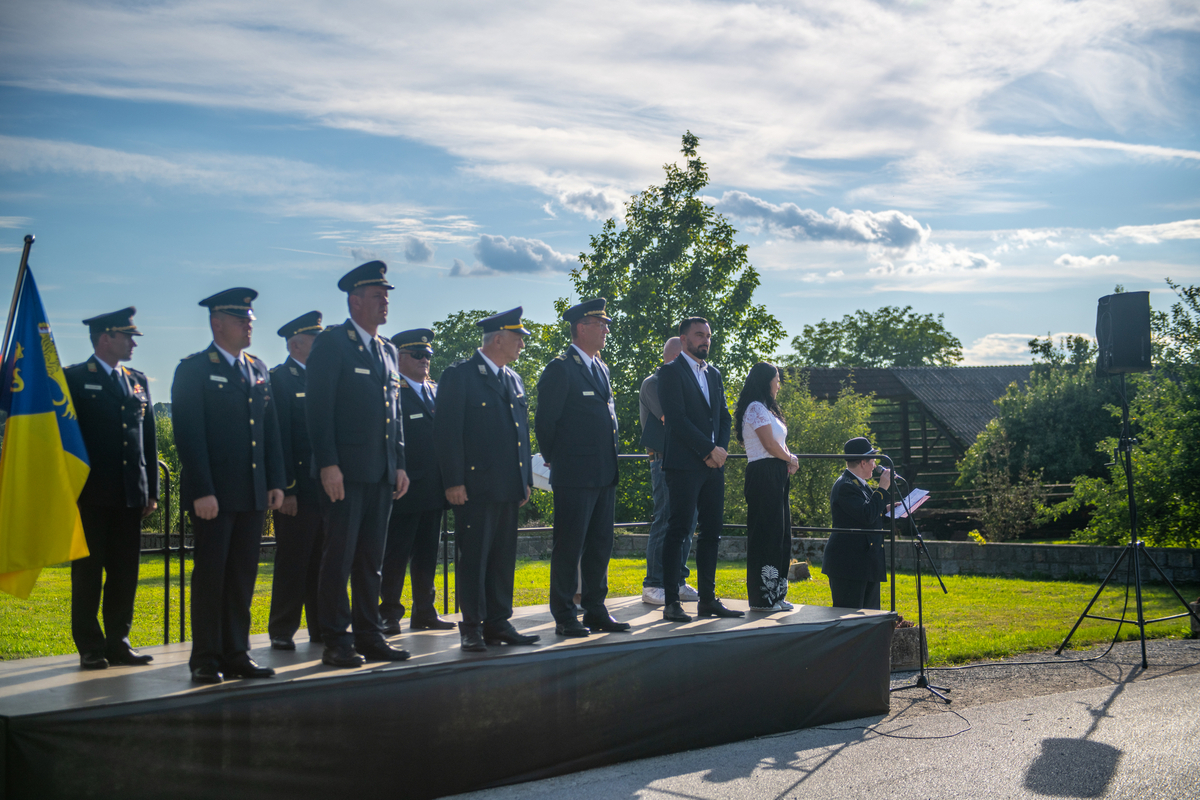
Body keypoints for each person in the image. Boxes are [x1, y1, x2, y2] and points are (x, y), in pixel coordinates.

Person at [172, 288, 285, 684]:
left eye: (250, 320)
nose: (249, 326)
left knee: (241, 576)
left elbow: (270, 431)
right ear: (217, 323)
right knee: (211, 577)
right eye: (241, 321)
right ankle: (205, 657)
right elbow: (190, 435)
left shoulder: (258, 368)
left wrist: (275, 481)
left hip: (251, 493)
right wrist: (202, 489)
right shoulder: (194, 370)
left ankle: (237, 653)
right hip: (214, 496)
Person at [306, 261, 411, 668]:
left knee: (371, 561)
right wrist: (328, 464)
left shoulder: (387, 350)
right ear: (354, 302)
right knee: (339, 558)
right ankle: (336, 639)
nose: (385, 302)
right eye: (377, 296)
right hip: (345, 473)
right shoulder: (333, 344)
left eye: (387, 296)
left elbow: (394, 415)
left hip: (381, 473)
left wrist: (399, 463)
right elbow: (319, 410)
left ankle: (370, 634)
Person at [434, 307, 540, 652]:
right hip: (475, 487)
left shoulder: (513, 379)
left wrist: (525, 478)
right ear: (497, 339)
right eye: (517, 337)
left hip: (508, 486)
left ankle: (498, 622)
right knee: (475, 558)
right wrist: (453, 481)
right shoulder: (461, 375)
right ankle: (472, 626)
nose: (522, 344)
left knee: (502, 559)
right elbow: (447, 433)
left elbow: (521, 434)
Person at [64, 307, 158, 670]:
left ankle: (119, 642)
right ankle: (90, 646)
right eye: (128, 336)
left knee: (124, 573)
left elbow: (147, 439)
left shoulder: (137, 380)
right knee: (88, 573)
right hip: (90, 495)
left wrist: (150, 490)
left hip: (130, 494)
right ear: (106, 338)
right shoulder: (74, 378)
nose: (134, 343)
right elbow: (65, 438)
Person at [535, 298, 630, 637]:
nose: (606, 330)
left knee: (600, 545)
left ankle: (595, 608)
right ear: (581, 328)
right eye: (600, 324)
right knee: (569, 546)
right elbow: (545, 422)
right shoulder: (560, 368)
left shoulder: (600, 367)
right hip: (575, 474)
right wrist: (557, 458)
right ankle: (564, 614)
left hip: (604, 472)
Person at [657, 316, 743, 622]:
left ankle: (707, 600)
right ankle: (671, 602)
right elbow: (677, 419)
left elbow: (725, 417)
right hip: (683, 465)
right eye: (699, 335)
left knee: (712, 531)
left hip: (713, 467)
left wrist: (720, 451)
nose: (705, 340)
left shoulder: (714, 374)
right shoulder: (669, 372)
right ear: (683, 340)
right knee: (678, 530)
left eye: (708, 335)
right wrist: (708, 450)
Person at [379, 328, 455, 633]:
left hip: (433, 488)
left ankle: (424, 610)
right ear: (399, 358)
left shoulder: (435, 391)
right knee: (396, 555)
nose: (425, 360)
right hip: (404, 489)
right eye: (417, 355)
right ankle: (389, 613)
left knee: (427, 555)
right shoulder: (392, 390)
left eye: (427, 355)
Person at [267, 310, 325, 651]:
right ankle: (282, 629)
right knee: (293, 561)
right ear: (295, 345)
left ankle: (322, 627)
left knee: (323, 561)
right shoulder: (280, 379)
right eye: (315, 340)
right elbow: (280, 439)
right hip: (298, 491)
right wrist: (287, 488)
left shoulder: (324, 379)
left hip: (326, 489)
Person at [638, 336, 698, 606]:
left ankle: (677, 581)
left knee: (688, 521)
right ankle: (653, 584)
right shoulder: (653, 384)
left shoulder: (686, 383)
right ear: (675, 356)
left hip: (686, 460)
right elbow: (672, 418)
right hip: (663, 459)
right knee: (665, 519)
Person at [734, 362, 798, 611]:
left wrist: (789, 459)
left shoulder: (768, 410)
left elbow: (779, 442)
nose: (779, 384)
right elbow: (769, 445)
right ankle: (762, 598)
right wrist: (789, 458)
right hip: (763, 474)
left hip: (777, 474)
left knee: (781, 534)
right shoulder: (755, 408)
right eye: (777, 379)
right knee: (765, 534)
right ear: (766, 381)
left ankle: (777, 594)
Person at [824, 437, 893, 610]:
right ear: (863, 462)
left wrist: (887, 510)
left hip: (865, 562)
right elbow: (866, 515)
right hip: (849, 565)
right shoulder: (845, 486)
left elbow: (868, 513)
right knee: (851, 616)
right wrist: (882, 489)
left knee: (870, 617)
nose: (875, 465)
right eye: (873, 460)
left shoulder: (859, 484)